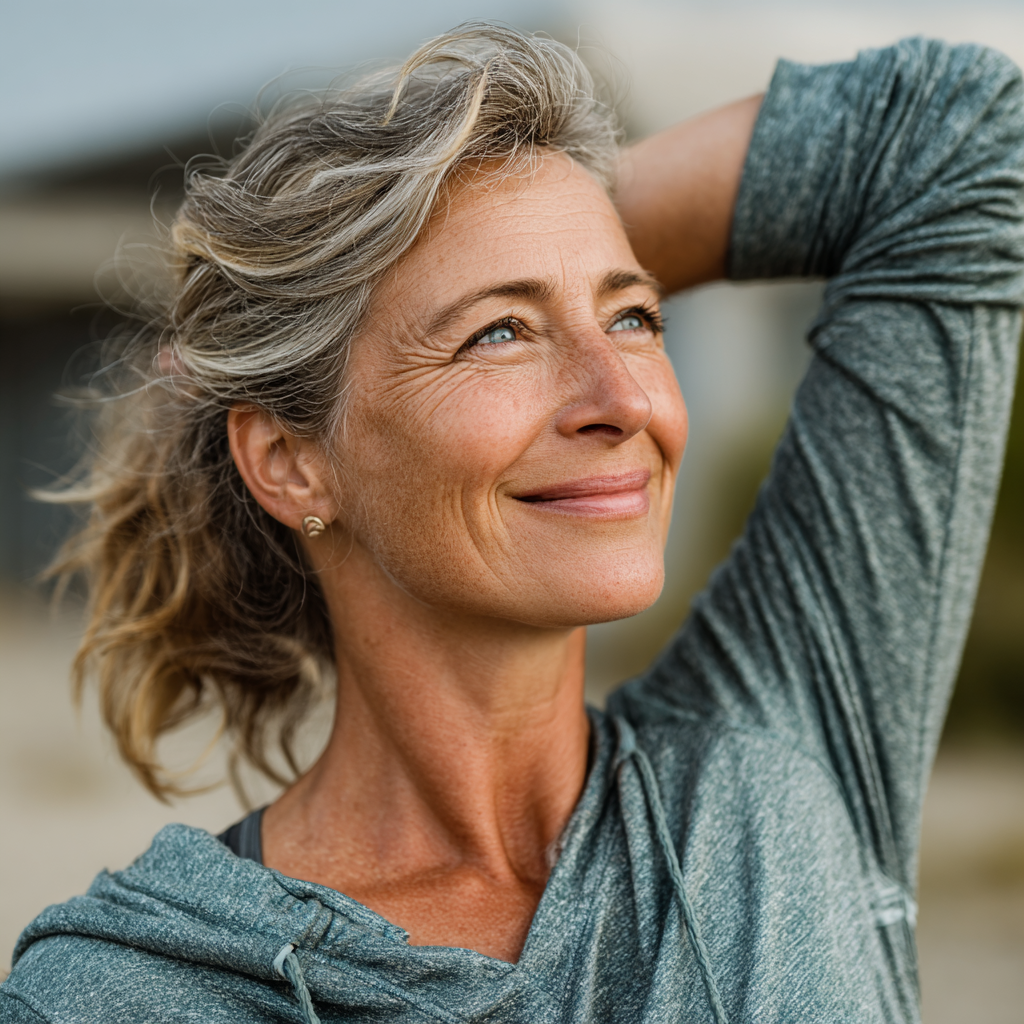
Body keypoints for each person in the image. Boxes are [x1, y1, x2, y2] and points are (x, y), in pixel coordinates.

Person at [2, 22, 1022, 1024]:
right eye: (499, 333)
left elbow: (958, 142)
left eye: (633, 316)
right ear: (291, 460)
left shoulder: (780, 751)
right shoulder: (120, 995)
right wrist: (333, 283)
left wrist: (534, 211)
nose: (621, 400)